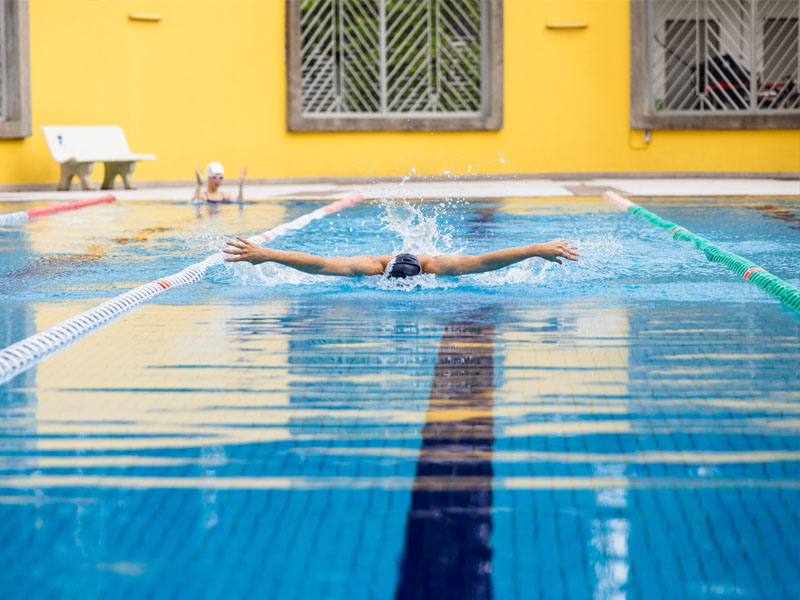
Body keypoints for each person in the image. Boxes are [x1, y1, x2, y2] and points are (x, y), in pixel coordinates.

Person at [223, 237, 579, 277]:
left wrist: (536, 249)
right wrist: (266, 254)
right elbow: (320, 265)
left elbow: (486, 261)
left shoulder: (439, 266)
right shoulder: (369, 267)